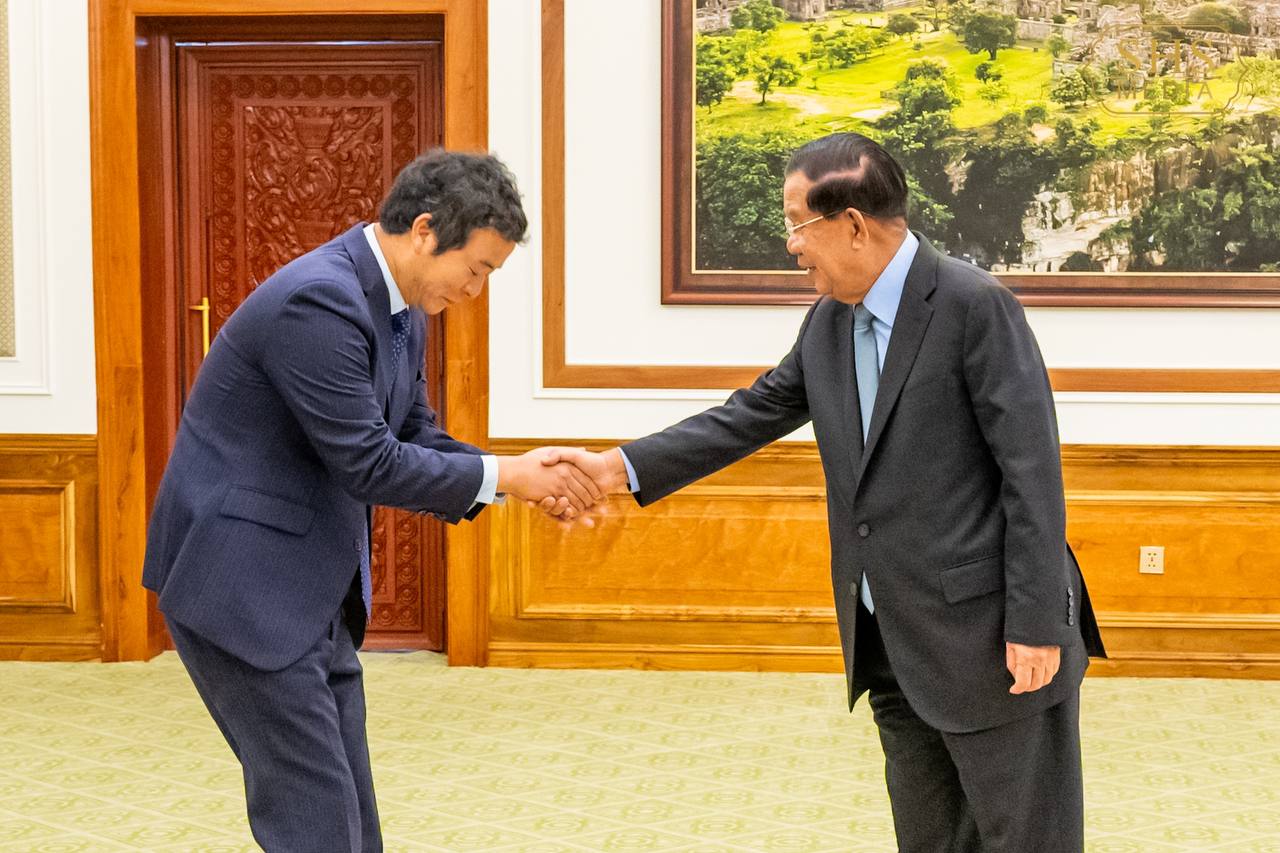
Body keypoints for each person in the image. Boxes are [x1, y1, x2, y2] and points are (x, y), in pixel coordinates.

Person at [564, 133, 1107, 853]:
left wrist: (1036, 624)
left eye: (798, 224)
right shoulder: (830, 320)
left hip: (994, 639)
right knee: (930, 839)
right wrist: (615, 469)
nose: (791, 244)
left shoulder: (975, 306)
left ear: (852, 224)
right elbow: (750, 414)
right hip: (892, 642)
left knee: (1025, 839)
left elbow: (1032, 476)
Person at [142, 149, 603, 852]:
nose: (476, 290)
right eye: (476, 269)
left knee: (352, 817)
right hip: (239, 586)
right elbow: (368, 462)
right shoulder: (319, 301)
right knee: (315, 820)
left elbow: (412, 432)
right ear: (425, 230)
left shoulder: (400, 307)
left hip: (308, 588)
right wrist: (509, 476)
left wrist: (520, 473)